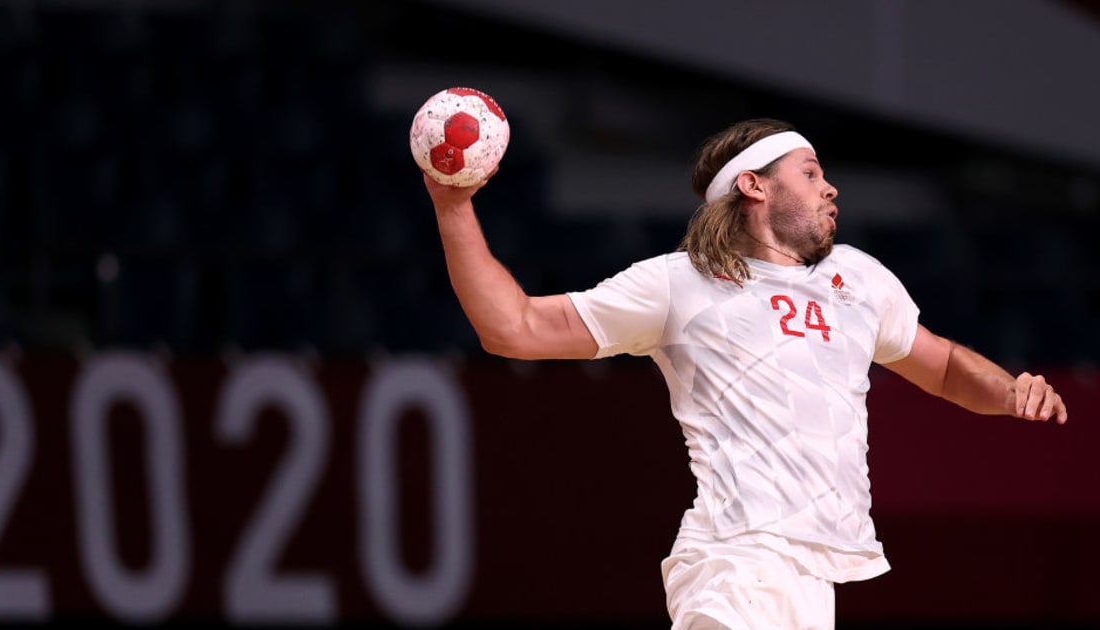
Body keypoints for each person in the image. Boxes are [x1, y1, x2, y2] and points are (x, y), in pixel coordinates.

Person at [421, 117, 1069, 629]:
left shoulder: (859, 278)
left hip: (813, 577)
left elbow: (945, 365)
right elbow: (515, 329)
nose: (830, 187)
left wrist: (1009, 391)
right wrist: (453, 208)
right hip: (737, 560)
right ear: (754, 186)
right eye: (811, 172)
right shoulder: (680, 284)